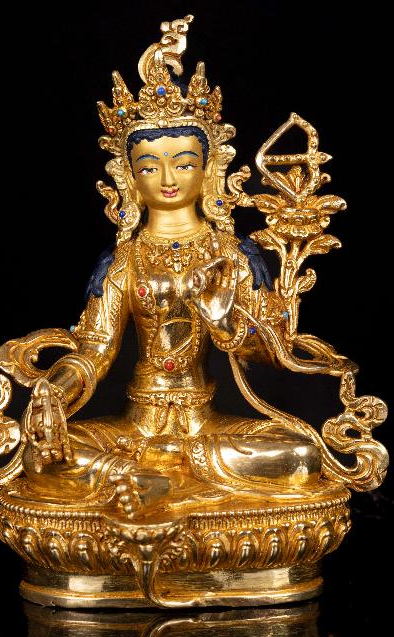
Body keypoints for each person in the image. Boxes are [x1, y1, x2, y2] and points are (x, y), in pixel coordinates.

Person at [20, 122, 322, 519]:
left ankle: (150, 478)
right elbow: (95, 348)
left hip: (205, 426)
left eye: (183, 164)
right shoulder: (124, 259)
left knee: (301, 455)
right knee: (40, 457)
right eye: (149, 167)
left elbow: (270, 352)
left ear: (209, 170)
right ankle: (149, 480)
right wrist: (54, 390)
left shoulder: (233, 255)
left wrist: (226, 324)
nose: (167, 179)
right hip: (136, 428)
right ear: (128, 177)